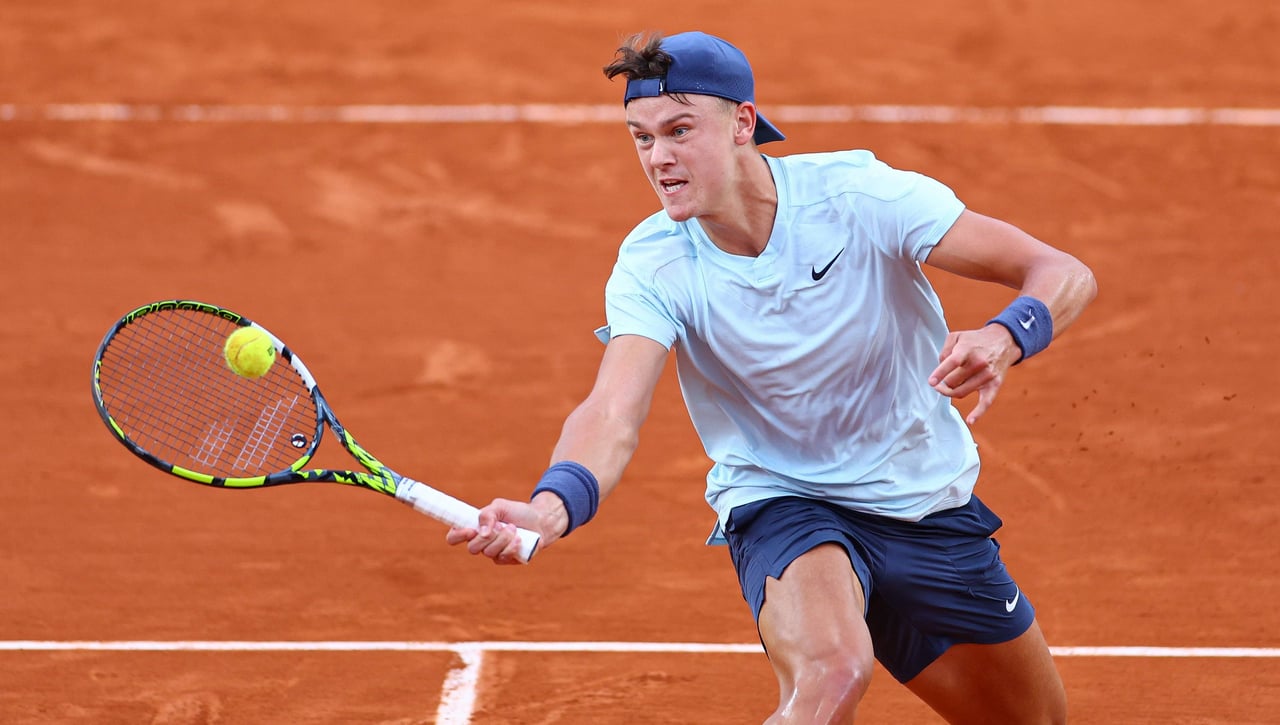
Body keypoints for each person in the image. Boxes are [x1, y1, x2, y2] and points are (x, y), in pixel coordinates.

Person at [447, 29, 1097, 724]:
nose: (658, 157)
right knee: (833, 672)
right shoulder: (654, 263)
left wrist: (1005, 336)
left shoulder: (859, 198)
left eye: (679, 130)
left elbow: (1063, 273)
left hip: (927, 505)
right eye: (641, 137)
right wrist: (551, 505)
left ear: (743, 123)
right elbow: (612, 409)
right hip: (787, 503)